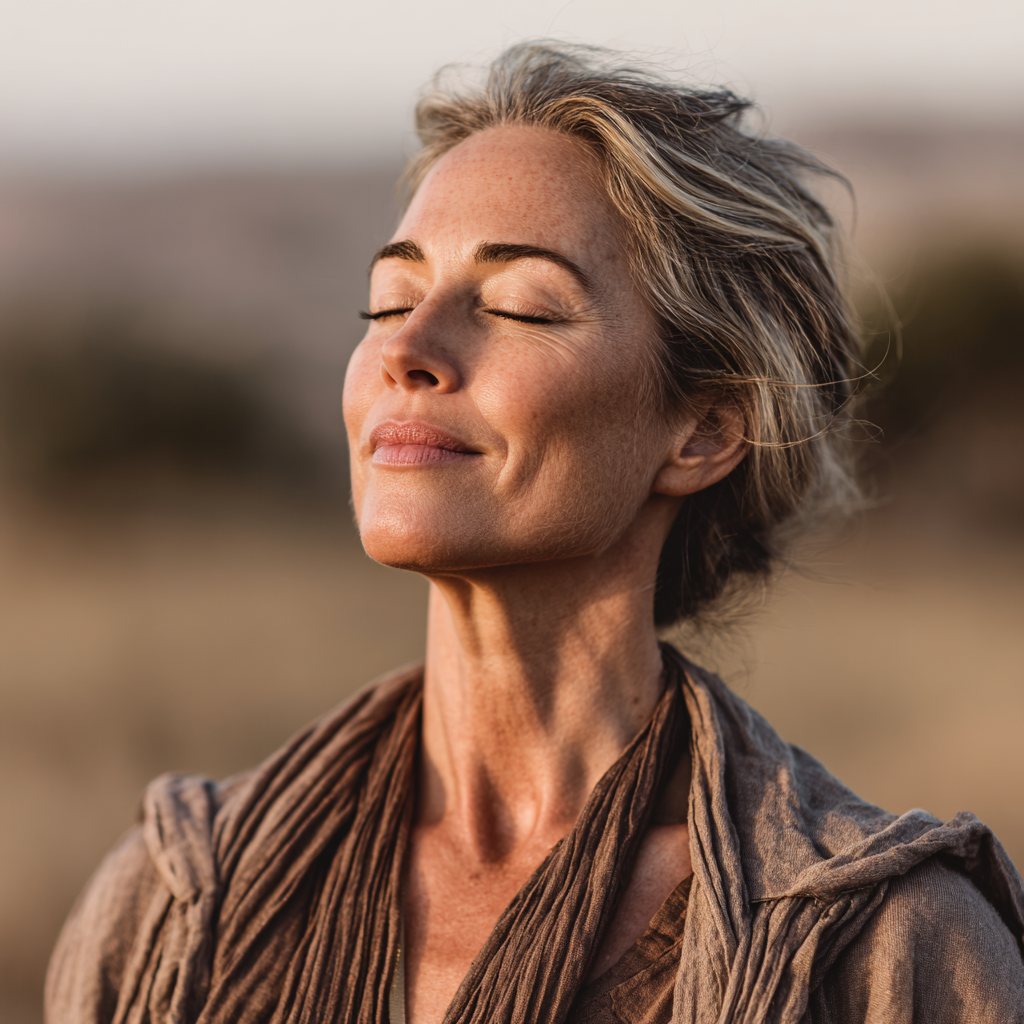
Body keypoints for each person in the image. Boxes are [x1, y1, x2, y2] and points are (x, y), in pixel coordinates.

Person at [46, 42, 1024, 1024]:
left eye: (516, 305)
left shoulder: (881, 943)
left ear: (703, 430)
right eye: (387, 301)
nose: (407, 350)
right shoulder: (178, 902)